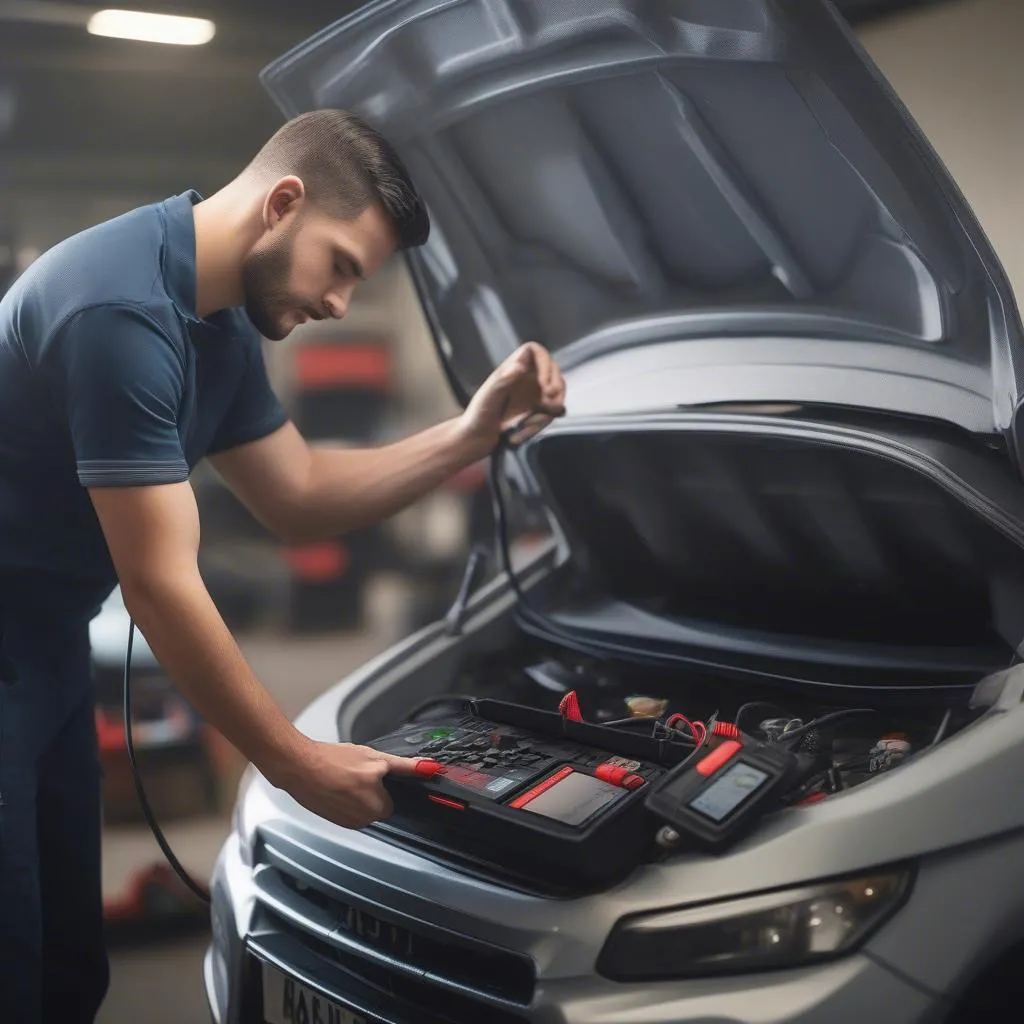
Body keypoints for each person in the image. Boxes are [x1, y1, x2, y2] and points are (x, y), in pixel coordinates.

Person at [0, 108, 566, 1023]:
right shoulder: (119, 310)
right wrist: (292, 761)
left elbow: (297, 491)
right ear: (284, 203)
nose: (341, 304)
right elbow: (159, 580)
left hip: (47, 649)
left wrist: (471, 433)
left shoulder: (220, 319)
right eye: (341, 265)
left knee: (68, 969)